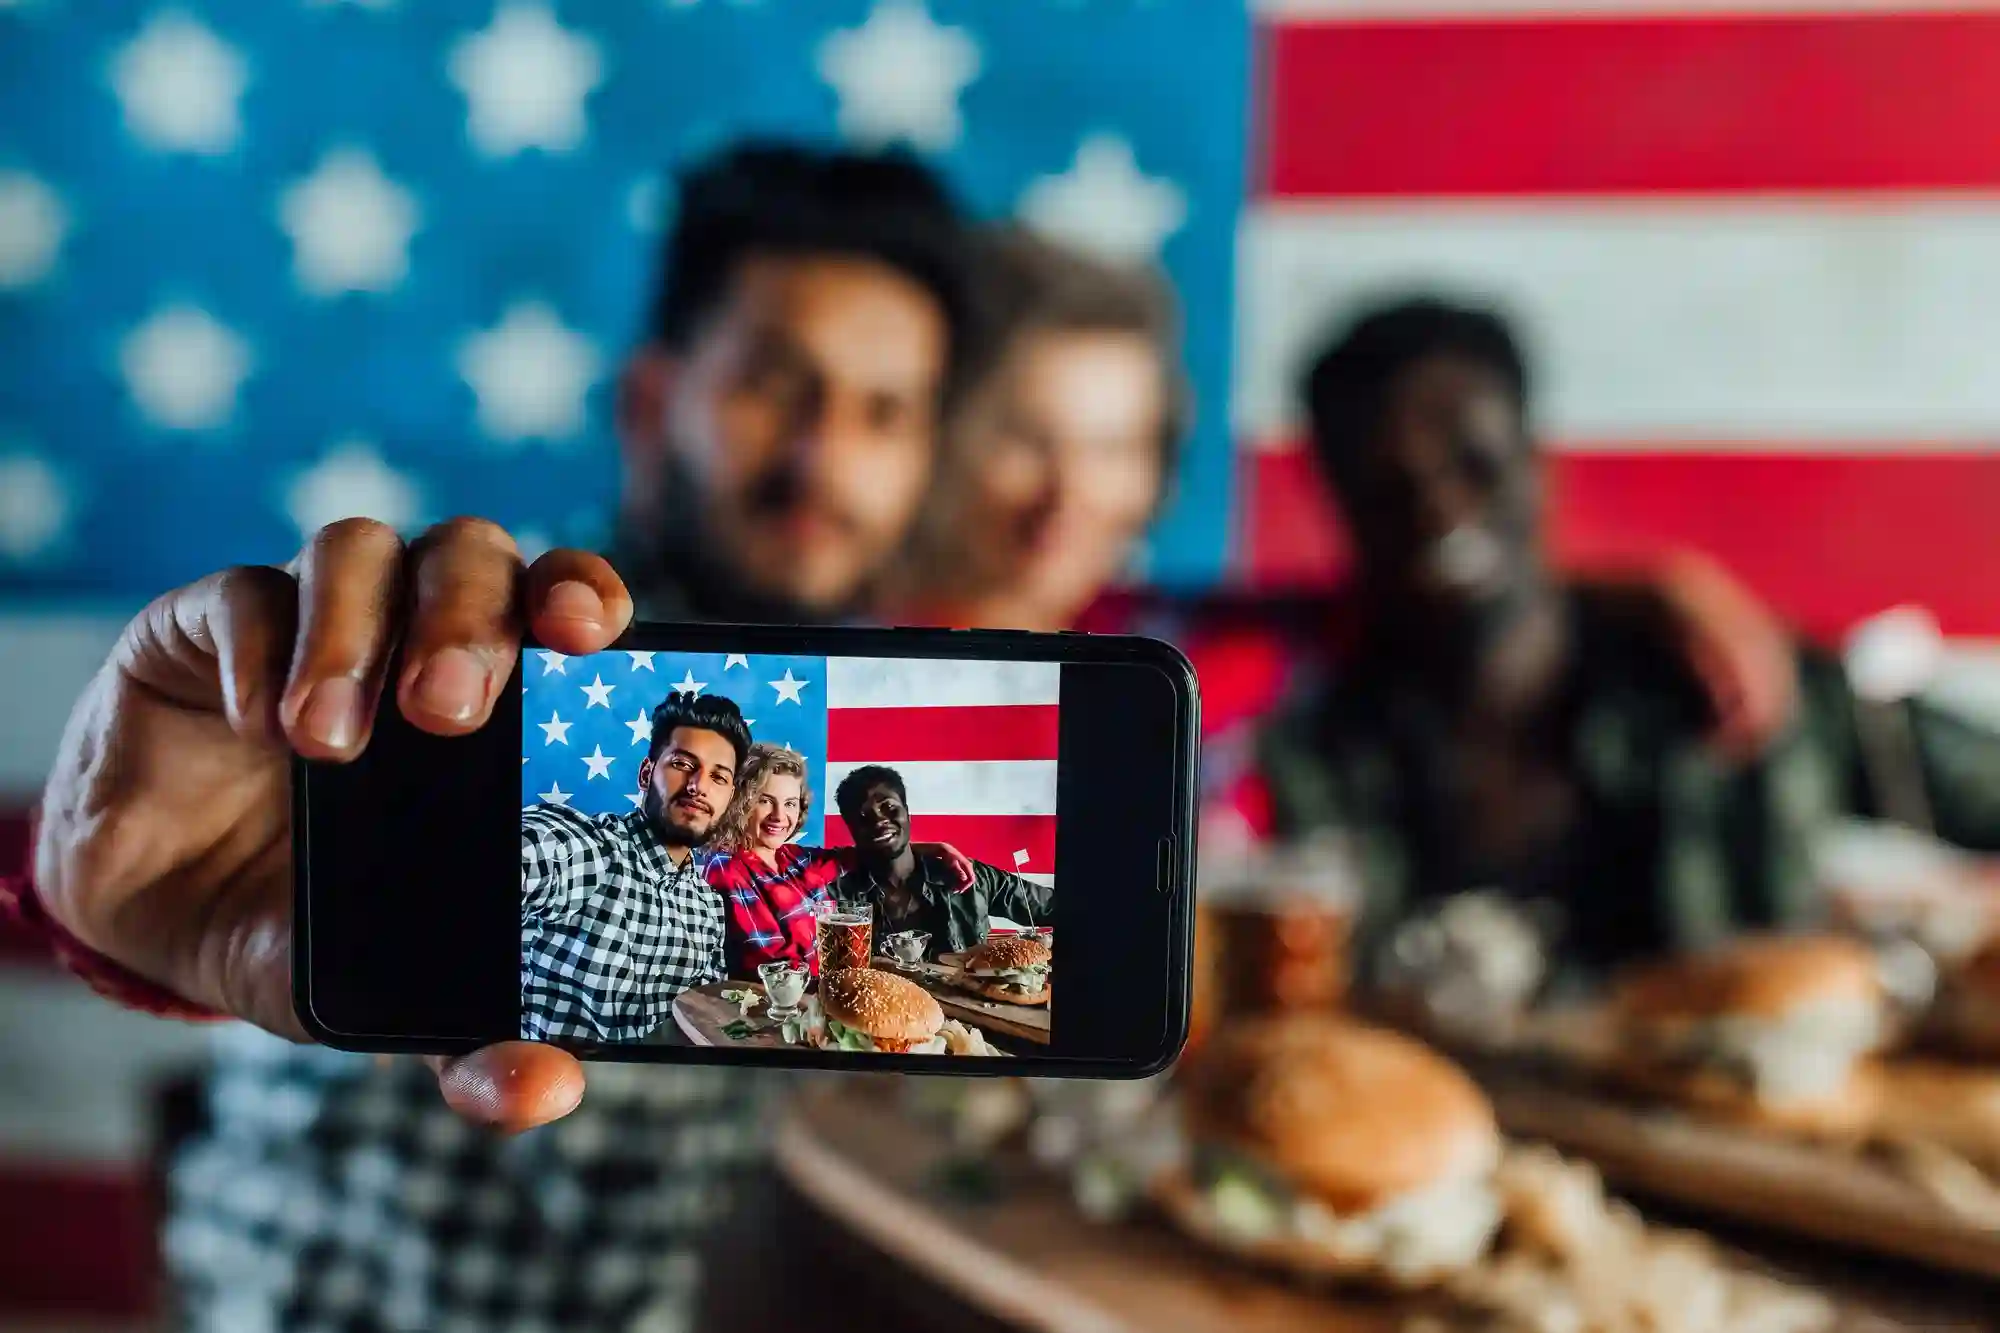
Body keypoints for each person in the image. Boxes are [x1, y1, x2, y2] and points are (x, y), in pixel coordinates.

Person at [10, 140, 977, 1331]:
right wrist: (142, 908)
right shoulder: (462, 656)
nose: (822, 455)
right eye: (774, 383)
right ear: (650, 402)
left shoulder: (794, 828)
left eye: (884, 411)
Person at [1250, 295, 2000, 978]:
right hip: (1432, 1118)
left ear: (1538, 461)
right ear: (1336, 501)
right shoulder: (1293, 731)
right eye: (1387, 488)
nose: (1438, 508)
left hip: (1744, 1114)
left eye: (1475, 464)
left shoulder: (1730, 684)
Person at [878, 225, 1185, 632]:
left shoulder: (1203, 670)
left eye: (1112, 448)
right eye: (1028, 440)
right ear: (941, 435)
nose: (1068, 493)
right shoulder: (831, 672)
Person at [521, 691, 750, 1043]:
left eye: (718, 777)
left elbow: (707, 1020)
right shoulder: (594, 851)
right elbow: (537, 848)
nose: (698, 786)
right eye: (683, 764)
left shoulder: (708, 907)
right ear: (646, 774)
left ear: (729, 799)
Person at [707, 741, 975, 978]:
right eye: (765, 801)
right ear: (742, 802)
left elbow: (860, 853)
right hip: (778, 1010)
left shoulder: (793, 859)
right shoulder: (727, 867)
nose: (779, 815)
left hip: (829, 992)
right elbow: (773, 968)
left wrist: (928, 848)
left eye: (789, 803)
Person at [830, 764, 1052, 956]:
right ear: (851, 829)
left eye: (889, 808)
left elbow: (1057, 908)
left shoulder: (970, 878)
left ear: (907, 813)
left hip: (969, 1006)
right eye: (863, 817)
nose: (878, 821)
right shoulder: (836, 896)